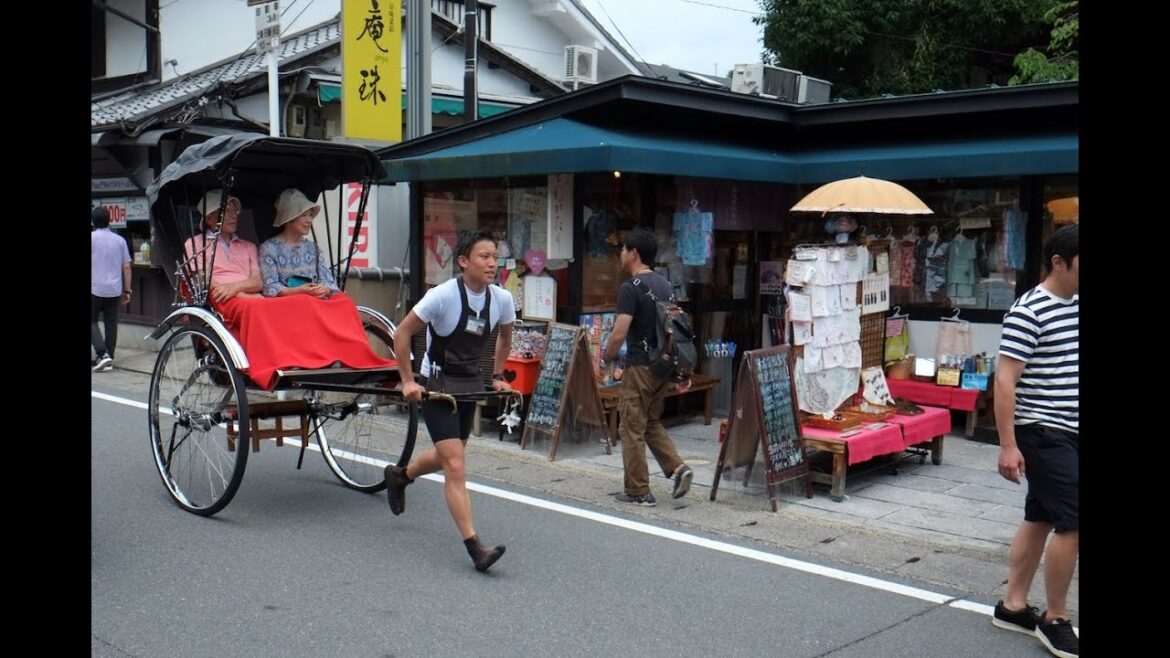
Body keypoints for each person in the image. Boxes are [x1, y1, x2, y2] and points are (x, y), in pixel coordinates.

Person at [386, 229, 515, 572]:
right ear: (463, 262)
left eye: (494, 257)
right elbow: (402, 333)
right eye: (483, 257)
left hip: (469, 383)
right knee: (455, 463)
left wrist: (498, 375)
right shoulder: (442, 296)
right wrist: (408, 381)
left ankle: (401, 476)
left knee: (451, 453)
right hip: (436, 384)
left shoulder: (500, 299)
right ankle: (476, 548)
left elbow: (505, 336)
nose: (492, 264)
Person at [990, 224, 1078, 658]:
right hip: (1042, 430)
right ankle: (1056, 619)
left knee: (1042, 515)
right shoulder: (1029, 311)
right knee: (1073, 521)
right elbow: (1005, 381)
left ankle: (1013, 606)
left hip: (1070, 429)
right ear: (1058, 262)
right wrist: (1008, 445)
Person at [601, 227, 693, 507]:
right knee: (649, 421)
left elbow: (619, 332)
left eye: (623, 249)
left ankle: (638, 491)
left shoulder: (630, 288)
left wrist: (607, 356)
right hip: (662, 366)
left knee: (631, 427)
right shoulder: (664, 285)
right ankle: (678, 468)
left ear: (634, 253)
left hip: (640, 365)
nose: (621, 254)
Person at [183, 190, 262, 305]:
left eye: (235, 211)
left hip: (250, 297)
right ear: (209, 219)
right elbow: (205, 282)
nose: (233, 216)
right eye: (226, 211)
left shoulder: (249, 247)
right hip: (220, 299)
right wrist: (240, 295)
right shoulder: (194, 244)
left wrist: (234, 288)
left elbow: (257, 282)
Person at [259, 187, 339, 299]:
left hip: (315, 301)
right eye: (304, 215)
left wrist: (323, 289)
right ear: (289, 219)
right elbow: (270, 287)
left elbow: (329, 282)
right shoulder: (269, 248)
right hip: (287, 305)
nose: (309, 220)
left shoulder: (314, 248)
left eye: (310, 215)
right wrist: (299, 291)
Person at [91, 207, 131, 372]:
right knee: (111, 323)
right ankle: (109, 357)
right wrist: (127, 290)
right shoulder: (119, 240)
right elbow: (127, 266)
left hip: (94, 287)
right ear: (109, 221)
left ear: (93, 221)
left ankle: (102, 354)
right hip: (115, 289)